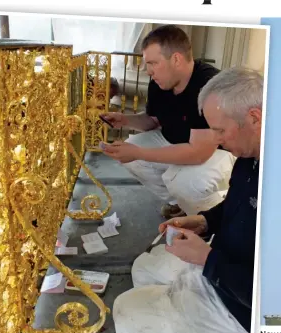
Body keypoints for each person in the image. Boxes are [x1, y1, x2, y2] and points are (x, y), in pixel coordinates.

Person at [113, 68, 262, 333]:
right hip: (223, 261)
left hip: (246, 308)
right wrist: (204, 221)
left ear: (254, 118)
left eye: (220, 130)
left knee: (125, 318)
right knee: (143, 268)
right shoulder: (250, 155)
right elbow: (235, 204)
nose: (216, 141)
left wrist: (207, 260)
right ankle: (184, 312)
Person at [100, 25, 235, 217]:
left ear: (176, 59)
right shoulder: (159, 82)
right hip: (178, 140)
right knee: (134, 157)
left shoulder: (208, 86)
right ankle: (178, 204)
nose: (149, 71)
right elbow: (152, 121)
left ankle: (208, 218)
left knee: (181, 180)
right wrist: (124, 120)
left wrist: (140, 152)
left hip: (215, 152)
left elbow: (199, 153)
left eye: (153, 63)